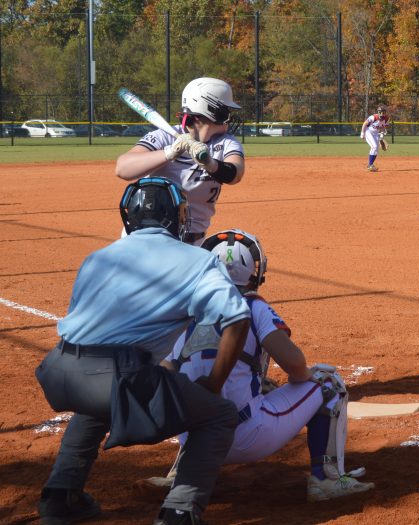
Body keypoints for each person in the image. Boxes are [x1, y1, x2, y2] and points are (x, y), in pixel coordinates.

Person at [35, 177, 252, 525]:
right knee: (218, 415)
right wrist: (212, 385)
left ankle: (60, 498)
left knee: (94, 406)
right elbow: (238, 319)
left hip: (58, 370)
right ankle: (179, 512)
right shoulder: (197, 261)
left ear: (128, 217)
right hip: (117, 376)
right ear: (179, 217)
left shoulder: (98, 257)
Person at [159, 229, 375, 502]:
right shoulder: (252, 307)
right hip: (246, 437)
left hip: (194, 441)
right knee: (329, 384)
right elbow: (294, 364)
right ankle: (327, 480)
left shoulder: (185, 311)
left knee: (194, 389)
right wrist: (298, 378)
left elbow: (165, 373)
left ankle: (180, 475)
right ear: (254, 271)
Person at [115, 77, 245, 245]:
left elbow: (236, 173)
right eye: (226, 110)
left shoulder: (226, 143)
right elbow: (122, 168)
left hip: (192, 242)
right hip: (146, 238)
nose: (229, 116)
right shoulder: (163, 137)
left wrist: (210, 163)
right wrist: (170, 152)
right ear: (211, 110)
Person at [360, 105, 390, 172]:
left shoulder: (387, 118)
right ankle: (370, 165)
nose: (383, 113)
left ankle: (371, 165)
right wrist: (362, 132)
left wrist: (382, 134)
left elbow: (383, 127)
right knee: (374, 146)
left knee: (376, 149)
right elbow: (365, 123)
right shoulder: (374, 117)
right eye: (382, 112)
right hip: (368, 132)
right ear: (379, 112)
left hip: (376, 134)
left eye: (384, 112)